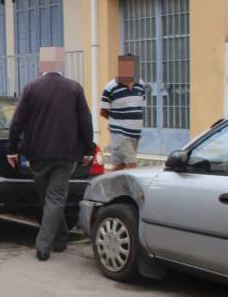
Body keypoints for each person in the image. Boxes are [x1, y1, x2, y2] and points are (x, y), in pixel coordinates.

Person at [7, 46, 94, 262]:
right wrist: (87, 150)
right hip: (66, 154)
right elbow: (86, 121)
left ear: (42, 65)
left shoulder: (31, 88)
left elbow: (17, 122)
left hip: (37, 154)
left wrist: (12, 150)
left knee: (50, 198)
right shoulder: (74, 88)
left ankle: (43, 245)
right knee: (53, 199)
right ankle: (60, 237)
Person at [100, 54, 145, 170]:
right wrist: (114, 122)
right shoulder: (110, 88)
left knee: (121, 165)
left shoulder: (141, 85)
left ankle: (108, 185)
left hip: (135, 132)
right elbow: (103, 111)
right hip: (120, 132)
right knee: (132, 164)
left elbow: (140, 107)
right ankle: (133, 189)